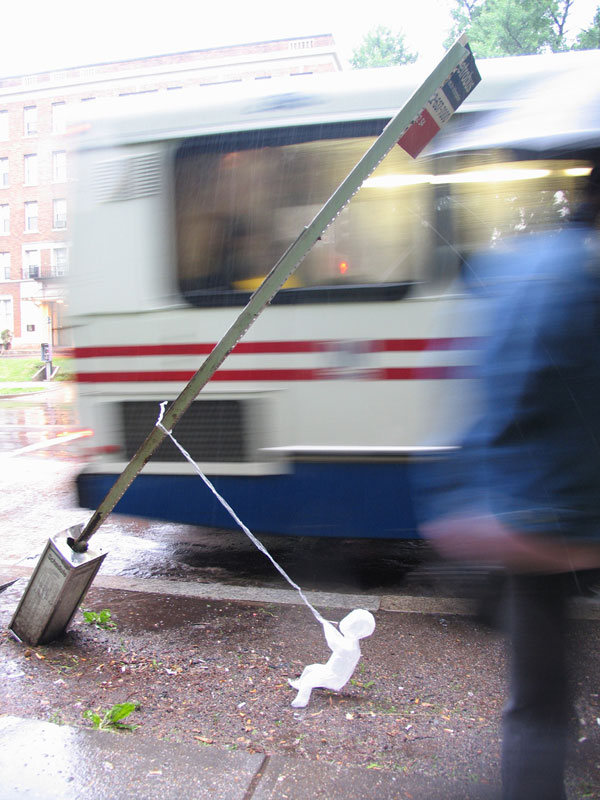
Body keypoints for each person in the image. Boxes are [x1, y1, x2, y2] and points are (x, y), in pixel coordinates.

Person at [417, 166, 600, 800]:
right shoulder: (582, 284)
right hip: (576, 512)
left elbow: (489, 392)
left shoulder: (519, 265)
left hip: (530, 518)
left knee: (537, 703)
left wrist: (464, 493)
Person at [288, 609, 375, 708]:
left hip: (334, 676)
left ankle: (300, 702)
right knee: (310, 668)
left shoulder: (350, 647)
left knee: (309, 680)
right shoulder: (351, 641)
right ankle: (300, 684)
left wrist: (326, 626)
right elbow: (338, 640)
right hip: (329, 669)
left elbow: (333, 643)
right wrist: (327, 625)